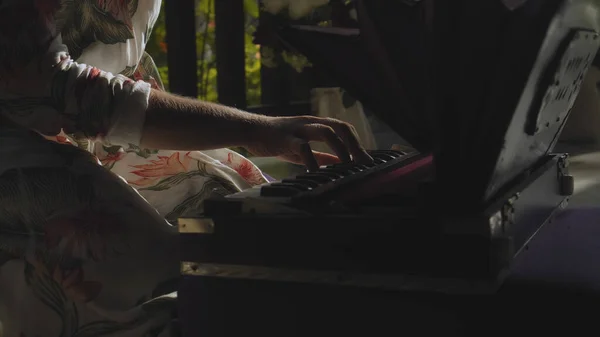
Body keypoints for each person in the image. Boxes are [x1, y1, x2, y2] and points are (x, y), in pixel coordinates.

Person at [0, 1, 372, 336]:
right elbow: (54, 88)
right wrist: (256, 129)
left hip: (91, 129)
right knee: (144, 278)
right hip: (21, 151)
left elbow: (119, 58)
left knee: (239, 212)